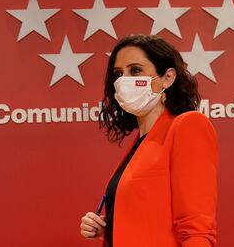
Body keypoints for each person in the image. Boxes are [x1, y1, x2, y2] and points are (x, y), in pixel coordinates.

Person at [80, 34, 218, 247]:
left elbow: (197, 230)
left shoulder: (188, 126)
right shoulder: (141, 141)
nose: (124, 79)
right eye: (118, 73)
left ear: (168, 78)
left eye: (135, 70)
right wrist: (108, 229)